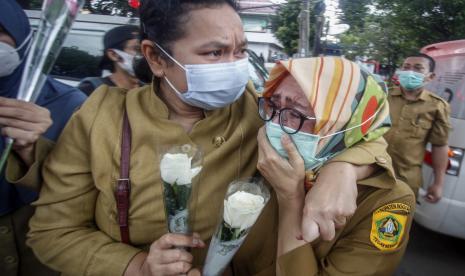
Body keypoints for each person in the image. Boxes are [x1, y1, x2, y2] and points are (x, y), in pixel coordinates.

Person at [25, 1, 399, 275]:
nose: (234, 67)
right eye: (214, 52)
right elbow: (52, 232)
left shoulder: (258, 109)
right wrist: (136, 265)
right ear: (155, 58)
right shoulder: (99, 118)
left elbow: (357, 129)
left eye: (240, 51)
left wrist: (346, 168)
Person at [256, 57, 415, 275]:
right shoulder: (266, 157)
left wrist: (290, 199)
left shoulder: (387, 199)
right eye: (274, 105)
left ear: (342, 124)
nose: (275, 124)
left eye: (297, 113)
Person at [0, 1, 87, 275]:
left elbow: (84, 192)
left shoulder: (68, 102)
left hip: (38, 241)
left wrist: (30, 152)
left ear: (23, 37)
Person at [384, 53, 451, 202]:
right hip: (369, 171)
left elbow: (439, 145)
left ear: (430, 76)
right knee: (357, 221)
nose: (410, 72)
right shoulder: (383, 96)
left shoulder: (437, 106)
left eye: (418, 68)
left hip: (404, 181)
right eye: (406, 67)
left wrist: (438, 183)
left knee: (389, 224)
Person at [78, 25, 142, 95]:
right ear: (113, 55)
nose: (146, 54)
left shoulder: (150, 90)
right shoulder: (89, 91)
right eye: (138, 49)